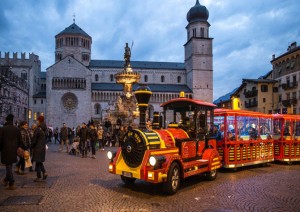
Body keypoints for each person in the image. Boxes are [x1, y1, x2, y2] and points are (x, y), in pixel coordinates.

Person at [0, 114, 21, 190]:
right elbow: (20, 141)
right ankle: (6, 179)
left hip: (5, 150)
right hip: (13, 150)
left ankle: (11, 182)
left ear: (6, 120)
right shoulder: (17, 129)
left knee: (8, 166)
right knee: (9, 165)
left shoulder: (2, 129)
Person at [31, 116, 48, 182]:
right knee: (39, 162)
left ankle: (39, 176)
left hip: (37, 147)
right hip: (42, 147)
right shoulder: (45, 129)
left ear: (39, 121)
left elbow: (34, 139)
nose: (36, 121)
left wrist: (31, 146)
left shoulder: (38, 129)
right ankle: (44, 173)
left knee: (38, 162)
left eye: (37, 120)